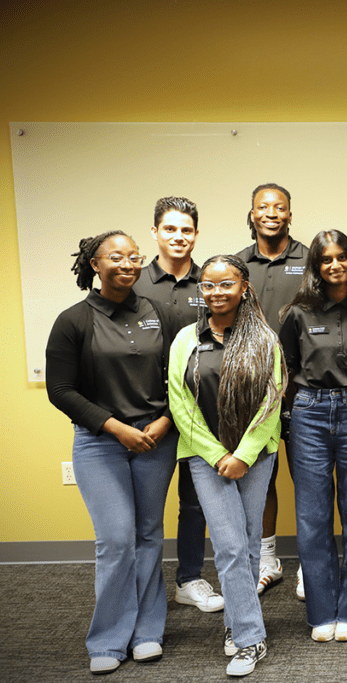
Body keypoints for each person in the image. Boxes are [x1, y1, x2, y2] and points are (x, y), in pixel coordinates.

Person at [46, 232, 177, 675]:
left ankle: (146, 633)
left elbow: (180, 377)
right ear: (94, 265)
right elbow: (61, 391)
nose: (128, 263)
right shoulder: (74, 320)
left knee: (148, 536)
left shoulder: (157, 312)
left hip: (156, 439)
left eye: (134, 256)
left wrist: (163, 422)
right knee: (117, 541)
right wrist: (117, 428)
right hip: (101, 442)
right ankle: (107, 639)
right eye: (116, 256)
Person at [168, 255, 284, 677]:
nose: (216, 292)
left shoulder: (264, 338)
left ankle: (236, 624)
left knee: (250, 542)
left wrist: (243, 455)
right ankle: (251, 640)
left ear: (244, 287)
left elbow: (273, 401)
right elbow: (180, 403)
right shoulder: (185, 339)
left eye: (226, 284)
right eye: (208, 285)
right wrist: (218, 455)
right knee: (231, 545)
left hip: (255, 455)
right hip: (205, 458)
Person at [279, 230, 347, 643]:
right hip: (309, 412)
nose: (335, 264)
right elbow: (283, 371)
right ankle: (323, 610)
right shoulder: (297, 314)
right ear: (316, 267)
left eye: (343, 257)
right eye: (326, 259)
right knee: (313, 516)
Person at [133, 196, 224, 614]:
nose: (179, 237)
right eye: (170, 229)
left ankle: (189, 578)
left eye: (186, 229)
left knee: (194, 501)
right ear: (154, 232)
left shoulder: (210, 283)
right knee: (143, 511)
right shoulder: (133, 281)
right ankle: (143, 587)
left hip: (199, 413)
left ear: (196, 234)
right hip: (144, 414)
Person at [235, 183, 309, 597]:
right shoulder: (237, 263)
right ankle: (267, 558)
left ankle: (309, 559)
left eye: (279, 207)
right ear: (252, 214)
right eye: (263, 206)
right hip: (252, 390)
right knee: (262, 475)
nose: (271, 212)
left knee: (308, 477)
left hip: (300, 388)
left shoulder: (309, 259)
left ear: (290, 215)